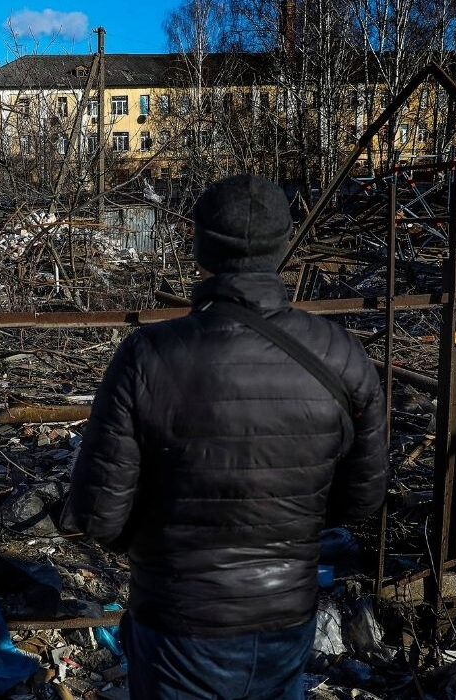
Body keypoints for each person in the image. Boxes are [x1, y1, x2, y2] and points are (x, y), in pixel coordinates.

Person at [60, 174, 388, 699]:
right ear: (283, 246)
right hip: (286, 613)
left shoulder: (148, 355)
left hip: (178, 616)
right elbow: (363, 497)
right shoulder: (340, 353)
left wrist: (159, 548)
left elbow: (98, 513)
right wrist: (284, 521)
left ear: (200, 245)